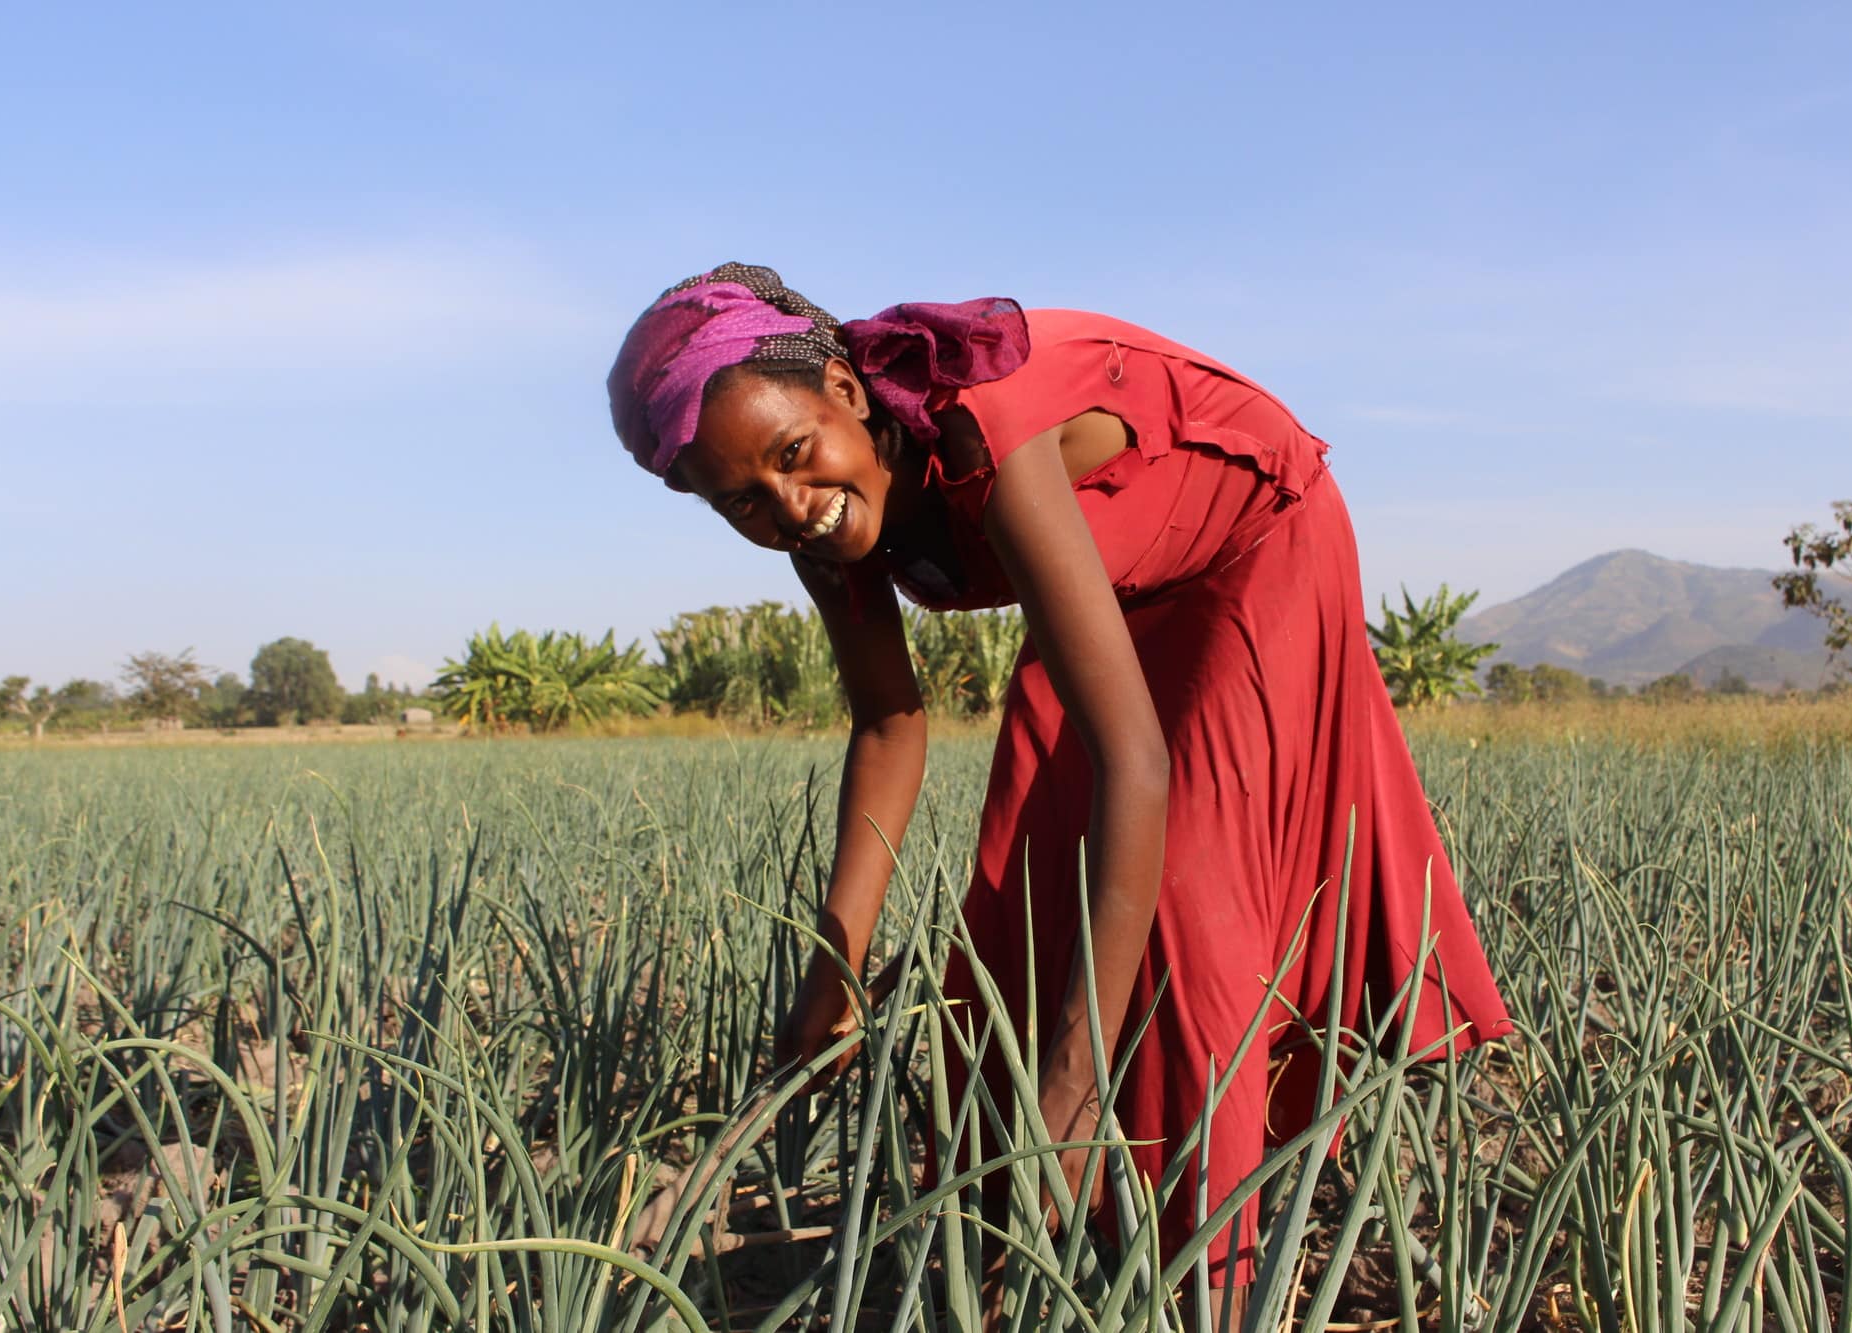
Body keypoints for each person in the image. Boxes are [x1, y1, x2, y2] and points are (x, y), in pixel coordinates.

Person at [607, 263, 1511, 1304]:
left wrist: (1073, 1086)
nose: (791, 506)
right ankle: (1006, 1238)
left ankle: (1197, 1278)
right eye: (743, 503)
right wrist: (834, 971)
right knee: (1022, 893)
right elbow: (891, 722)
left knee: (1178, 890)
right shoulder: (809, 519)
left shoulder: (983, 428)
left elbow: (1137, 764)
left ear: (847, 395)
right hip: (1114, 572)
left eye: (795, 458)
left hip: (1254, 540)